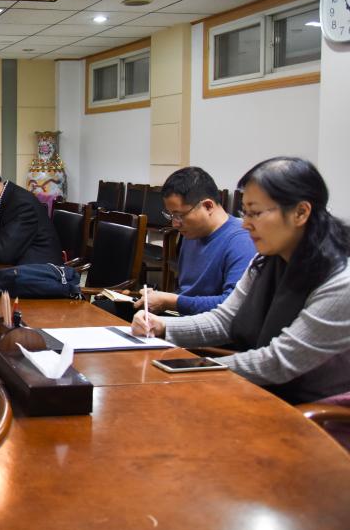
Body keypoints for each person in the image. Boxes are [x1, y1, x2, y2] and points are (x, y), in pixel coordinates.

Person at [133, 157, 350, 404]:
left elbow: (278, 362)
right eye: (245, 213)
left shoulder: (340, 281)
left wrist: (191, 368)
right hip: (260, 390)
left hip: (307, 410)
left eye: (255, 213)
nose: (245, 224)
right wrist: (162, 326)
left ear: (301, 212)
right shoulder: (265, 259)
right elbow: (226, 319)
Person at [137, 167, 256, 316]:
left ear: (208, 206)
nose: (175, 224)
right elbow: (188, 292)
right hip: (184, 316)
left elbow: (233, 305)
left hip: (210, 324)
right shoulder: (192, 233)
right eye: (171, 215)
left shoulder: (241, 241)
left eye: (179, 215)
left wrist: (172, 301)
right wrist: (160, 298)